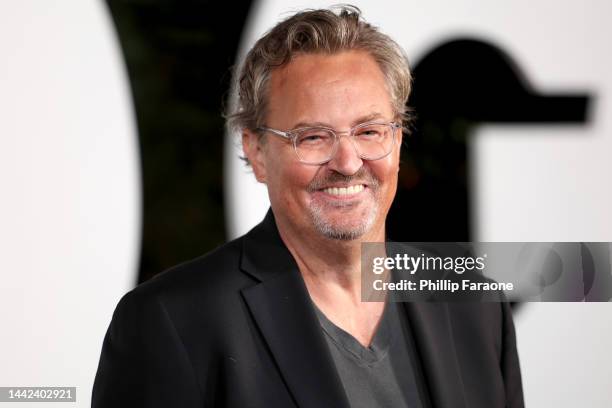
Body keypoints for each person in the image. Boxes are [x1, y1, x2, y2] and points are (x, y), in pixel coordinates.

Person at [92, 6, 524, 408]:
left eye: (370, 131)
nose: (348, 162)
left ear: (397, 138)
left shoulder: (475, 305)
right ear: (257, 151)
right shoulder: (171, 323)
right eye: (313, 137)